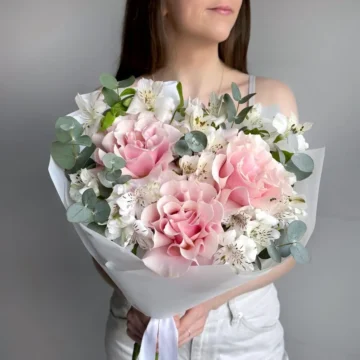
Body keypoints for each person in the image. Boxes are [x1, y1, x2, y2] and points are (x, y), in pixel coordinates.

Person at [93, 0, 298, 359]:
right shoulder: (112, 106)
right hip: (139, 328)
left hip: (241, 332)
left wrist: (210, 301)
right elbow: (99, 246)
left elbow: (289, 246)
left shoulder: (271, 100)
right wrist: (141, 299)